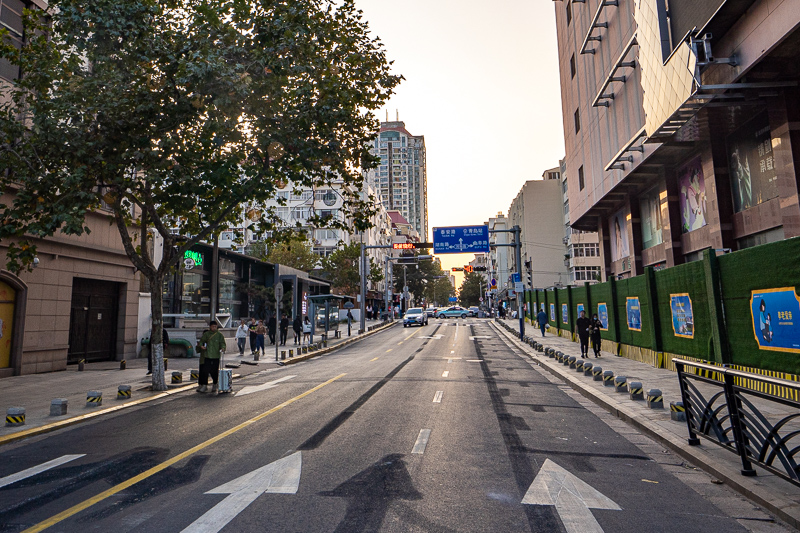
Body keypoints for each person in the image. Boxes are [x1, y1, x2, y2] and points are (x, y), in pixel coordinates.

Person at [196, 321, 226, 393]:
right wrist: (201, 346)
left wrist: (223, 348)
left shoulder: (219, 335)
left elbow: (222, 343)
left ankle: (215, 384)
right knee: (205, 371)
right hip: (207, 355)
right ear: (210, 327)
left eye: (215, 326)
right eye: (213, 326)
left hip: (216, 356)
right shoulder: (206, 334)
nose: (214, 328)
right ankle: (204, 385)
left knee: (214, 371)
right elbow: (201, 341)